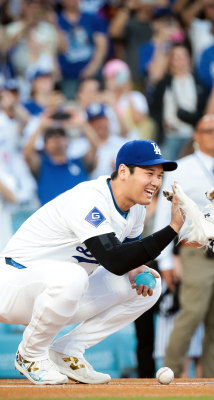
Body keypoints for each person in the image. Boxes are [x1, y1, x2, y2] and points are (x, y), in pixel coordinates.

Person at [0, 139, 184, 385]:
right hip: (14, 285)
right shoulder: (89, 199)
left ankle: (67, 351)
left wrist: (137, 268)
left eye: (159, 175)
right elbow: (114, 260)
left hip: (60, 293)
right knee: (73, 276)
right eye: (148, 173)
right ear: (123, 171)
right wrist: (172, 229)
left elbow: (128, 259)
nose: (155, 182)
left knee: (151, 286)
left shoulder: (137, 208)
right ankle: (30, 355)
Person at [153, 114, 214, 378]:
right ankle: (170, 374)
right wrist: (165, 260)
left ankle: (213, 382)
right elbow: (164, 215)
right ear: (197, 136)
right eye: (209, 130)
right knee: (191, 314)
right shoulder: (181, 168)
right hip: (195, 251)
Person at [23, 111, 99, 205]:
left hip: (79, 215)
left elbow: (95, 146)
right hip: (51, 218)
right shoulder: (41, 165)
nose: (57, 137)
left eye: (61, 134)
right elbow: (27, 152)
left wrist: (82, 124)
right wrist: (41, 127)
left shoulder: (79, 163)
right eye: (51, 135)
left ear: (68, 142)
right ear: (45, 144)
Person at [150, 43, 207, 161]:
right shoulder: (163, 84)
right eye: (176, 57)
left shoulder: (198, 83)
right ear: (170, 61)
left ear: (189, 59)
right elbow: (154, 108)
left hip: (192, 135)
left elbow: (203, 109)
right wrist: (162, 121)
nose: (180, 60)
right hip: (169, 135)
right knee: (166, 169)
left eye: (183, 56)